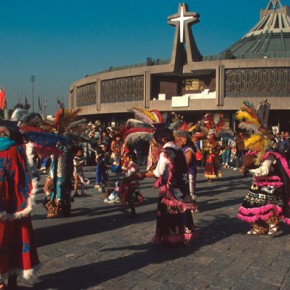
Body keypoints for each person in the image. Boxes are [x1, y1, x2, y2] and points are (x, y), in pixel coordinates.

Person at [138, 127, 196, 245]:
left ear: (163, 139)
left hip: (169, 189)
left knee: (168, 212)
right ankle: (186, 235)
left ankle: (171, 237)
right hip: (181, 187)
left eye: (157, 141)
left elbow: (158, 173)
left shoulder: (165, 153)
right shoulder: (179, 151)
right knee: (182, 210)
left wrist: (143, 174)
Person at [0, 121, 39, 289]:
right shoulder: (21, 150)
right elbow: (30, 175)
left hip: (5, 205)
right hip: (19, 204)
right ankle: (12, 281)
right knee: (17, 240)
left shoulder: (15, 151)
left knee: (3, 240)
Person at [174, 129, 199, 212]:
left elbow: (187, 161)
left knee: (191, 189)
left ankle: (194, 205)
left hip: (190, 172)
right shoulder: (180, 148)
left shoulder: (188, 148)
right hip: (183, 172)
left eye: (182, 138)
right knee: (183, 189)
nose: (181, 140)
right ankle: (186, 204)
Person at [119, 152, 141, 217]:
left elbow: (133, 173)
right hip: (131, 182)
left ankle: (133, 212)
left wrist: (128, 179)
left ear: (130, 158)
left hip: (132, 183)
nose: (126, 158)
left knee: (129, 197)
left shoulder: (132, 164)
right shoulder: (131, 164)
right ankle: (133, 211)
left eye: (127, 157)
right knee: (129, 197)